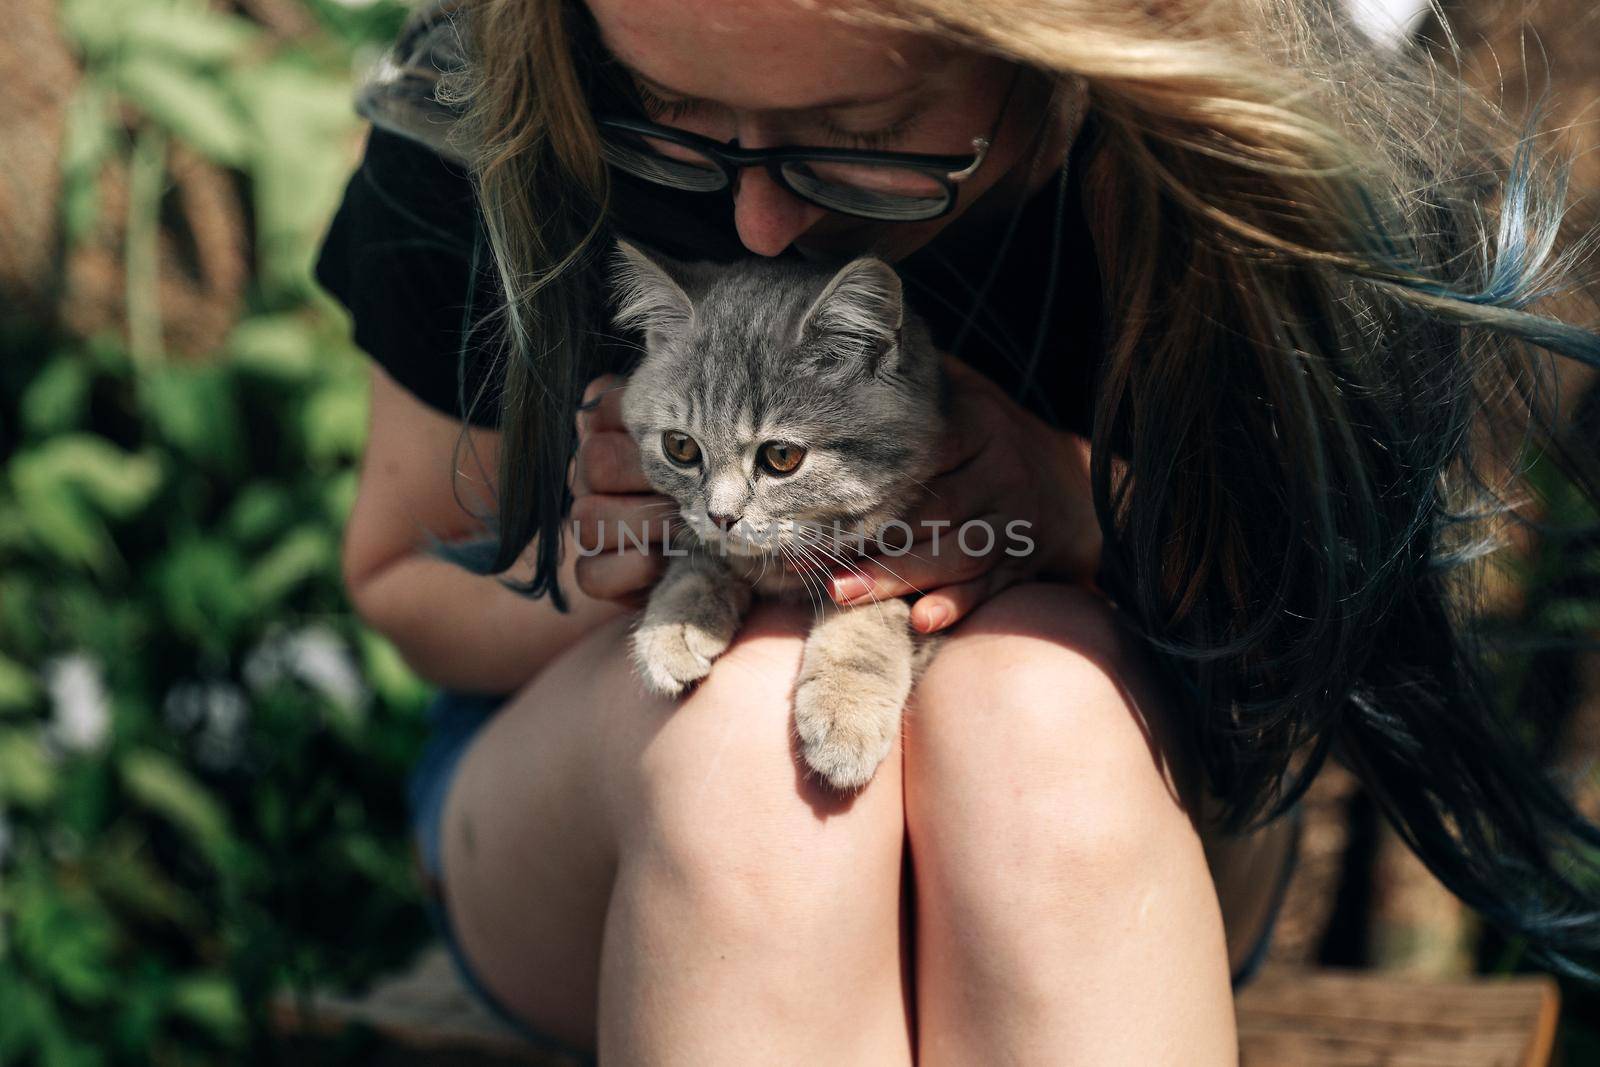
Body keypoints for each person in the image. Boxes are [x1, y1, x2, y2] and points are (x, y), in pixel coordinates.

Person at [316, 0, 1600, 1061]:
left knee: (1039, 715)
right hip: (571, 796)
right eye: (671, 118)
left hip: (1124, 798)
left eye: (858, 132)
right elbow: (399, 580)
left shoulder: (1225, 159)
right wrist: (599, 576)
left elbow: (1325, 640)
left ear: (1057, 54)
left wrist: (1086, 503)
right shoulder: (488, 97)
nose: (759, 223)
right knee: (745, 756)